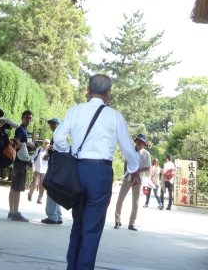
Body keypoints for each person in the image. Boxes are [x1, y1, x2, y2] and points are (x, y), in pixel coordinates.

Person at [53, 74, 140, 270]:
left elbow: (58, 138)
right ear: (109, 93)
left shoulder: (75, 111)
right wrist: (134, 170)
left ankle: (72, 267)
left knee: (78, 225)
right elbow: (127, 148)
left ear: (87, 89)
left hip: (77, 171)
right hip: (100, 174)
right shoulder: (115, 116)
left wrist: (69, 152)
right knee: (91, 228)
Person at [114, 134, 151, 231]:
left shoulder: (146, 154)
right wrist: (126, 173)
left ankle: (132, 223)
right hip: (128, 177)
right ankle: (117, 220)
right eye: (137, 140)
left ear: (144, 143)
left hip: (138, 179)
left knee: (135, 202)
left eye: (141, 141)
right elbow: (126, 163)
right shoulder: (130, 151)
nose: (139, 142)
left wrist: (137, 172)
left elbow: (148, 167)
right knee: (120, 199)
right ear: (135, 141)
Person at [8, 109, 35, 221]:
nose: (28, 120)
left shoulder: (23, 130)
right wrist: (27, 143)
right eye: (26, 117)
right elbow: (14, 143)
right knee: (17, 187)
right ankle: (16, 212)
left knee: (14, 186)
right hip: (20, 162)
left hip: (19, 161)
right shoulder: (20, 129)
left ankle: (11, 211)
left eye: (30, 118)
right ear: (22, 118)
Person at [41, 118, 63, 225]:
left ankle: (52, 215)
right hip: (57, 166)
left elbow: (59, 151)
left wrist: (50, 152)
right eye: (51, 124)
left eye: (54, 124)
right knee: (55, 190)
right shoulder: (58, 136)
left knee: (51, 189)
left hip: (55, 167)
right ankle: (57, 215)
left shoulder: (58, 137)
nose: (52, 126)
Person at [28, 139, 49, 204]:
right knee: (35, 183)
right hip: (37, 169)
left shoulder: (49, 152)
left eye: (48, 143)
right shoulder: (39, 150)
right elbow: (33, 158)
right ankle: (30, 194)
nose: (46, 145)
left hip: (45, 170)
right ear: (43, 144)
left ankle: (39, 199)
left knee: (42, 185)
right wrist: (33, 166)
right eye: (45, 143)